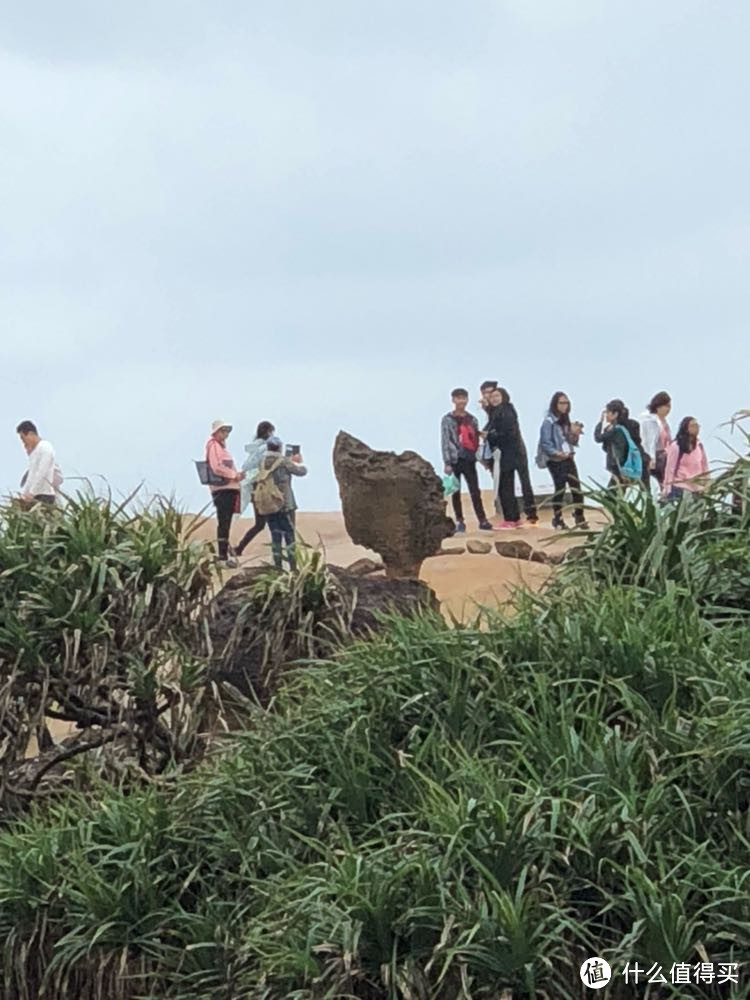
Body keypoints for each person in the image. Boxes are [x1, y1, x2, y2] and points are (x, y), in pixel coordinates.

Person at [440, 389, 493, 532]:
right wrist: (447, 462)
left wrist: (480, 458)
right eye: (458, 398)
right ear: (453, 400)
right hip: (455, 459)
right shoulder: (447, 419)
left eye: (464, 398)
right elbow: (446, 441)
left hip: (469, 459)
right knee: (456, 492)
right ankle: (460, 521)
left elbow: (475, 440)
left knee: (475, 490)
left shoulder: (472, 419)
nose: (461, 401)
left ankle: (482, 520)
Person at [485, 386, 538, 528]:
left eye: (497, 396)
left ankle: (515, 518)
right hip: (512, 453)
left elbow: (506, 432)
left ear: (503, 397)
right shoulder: (498, 411)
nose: (494, 399)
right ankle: (518, 517)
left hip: (511, 453)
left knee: (508, 485)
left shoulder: (506, 410)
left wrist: (489, 435)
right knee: (511, 484)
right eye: (492, 397)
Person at [537, 392, 588, 529]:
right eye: (561, 403)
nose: (564, 406)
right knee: (560, 488)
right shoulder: (549, 422)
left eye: (566, 403)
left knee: (576, 487)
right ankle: (558, 518)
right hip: (555, 460)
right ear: (555, 404)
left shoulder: (566, 422)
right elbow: (545, 443)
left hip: (567, 457)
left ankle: (579, 516)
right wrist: (557, 453)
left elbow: (570, 441)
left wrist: (575, 434)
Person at [256, 436, 307, 570]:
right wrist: (297, 462)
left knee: (275, 536)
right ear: (279, 447)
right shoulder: (284, 461)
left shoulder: (262, 461)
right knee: (290, 536)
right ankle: (293, 568)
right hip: (285, 503)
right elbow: (301, 472)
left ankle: (277, 567)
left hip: (269, 504)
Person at [205, 419, 245, 566]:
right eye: (223, 430)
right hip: (223, 489)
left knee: (225, 522)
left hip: (228, 488)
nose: (225, 434)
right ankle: (222, 556)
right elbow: (217, 467)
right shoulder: (214, 446)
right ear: (216, 432)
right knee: (224, 522)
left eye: (227, 431)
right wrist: (234, 475)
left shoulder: (221, 448)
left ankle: (223, 554)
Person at [236, 420, 275, 556]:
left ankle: (239, 548)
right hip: (262, 489)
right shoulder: (264, 448)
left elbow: (247, 465)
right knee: (269, 523)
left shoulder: (256, 447)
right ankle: (277, 553)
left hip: (254, 487)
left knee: (260, 524)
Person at [594, 399, 645, 487]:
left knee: (610, 497)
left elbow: (598, 438)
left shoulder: (616, 430)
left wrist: (600, 423)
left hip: (618, 467)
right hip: (623, 467)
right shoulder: (622, 429)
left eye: (608, 412)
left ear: (615, 414)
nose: (606, 415)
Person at [16, 420, 63, 506]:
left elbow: (42, 472)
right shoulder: (34, 453)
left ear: (30, 434)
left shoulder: (45, 447)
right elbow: (31, 476)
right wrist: (24, 495)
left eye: (23, 438)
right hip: (35, 496)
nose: (23, 442)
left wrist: (31, 492)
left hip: (45, 495)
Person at [662, 417, 709, 500]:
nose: (696, 428)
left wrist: (706, 483)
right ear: (686, 428)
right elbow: (670, 469)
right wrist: (667, 489)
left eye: (697, 426)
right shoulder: (676, 446)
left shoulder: (699, 446)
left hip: (697, 489)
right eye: (693, 426)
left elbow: (704, 466)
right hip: (680, 488)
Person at [639, 392, 672, 487]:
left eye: (669, 406)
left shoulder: (664, 422)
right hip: (656, 456)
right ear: (658, 406)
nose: (668, 409)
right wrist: (651, 458)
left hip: (665, 455)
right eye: (666, 406)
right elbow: (649, 441)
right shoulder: (650, 420)